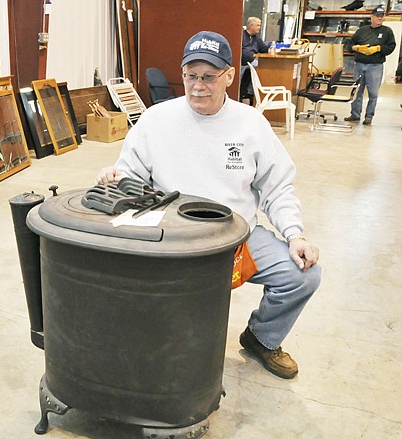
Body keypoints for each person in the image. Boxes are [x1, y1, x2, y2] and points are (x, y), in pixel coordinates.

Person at [96, 31, 321, 379]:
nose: (198, 86)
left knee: (301, 276)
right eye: (191, 76)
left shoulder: (251, 125)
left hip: (237, 235)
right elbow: (130, 176)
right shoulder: (156, 120)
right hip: (171, 236)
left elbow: (277, 188)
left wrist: (295, 235)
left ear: (230, 76)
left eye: (209, 77)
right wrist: (115, 176)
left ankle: (262, 337)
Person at [344, 5, 397, 125]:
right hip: (359, 64)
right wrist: (355, 47)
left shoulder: (387, 31)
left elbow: (391, 47)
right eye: (377, 16)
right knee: (357, 91)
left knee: (373, 93)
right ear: (371, 16)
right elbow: (349, 44)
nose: (379, 18)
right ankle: (355, 114)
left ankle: (369, 116)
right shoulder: (362, 30)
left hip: (375, 66)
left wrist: (379, 48)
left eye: (381, 16)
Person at [240, 17, 269, 104]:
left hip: (252, 62)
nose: (259, 27)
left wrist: (274, 48)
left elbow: (264, 49)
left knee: (261, 68)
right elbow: (243, 53)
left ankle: (250, 96)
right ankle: (247, 95)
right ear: (251, 25)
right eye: (258, 25)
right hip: (242, 63)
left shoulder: (256, 38)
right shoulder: (242, 36)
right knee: (258, 68)